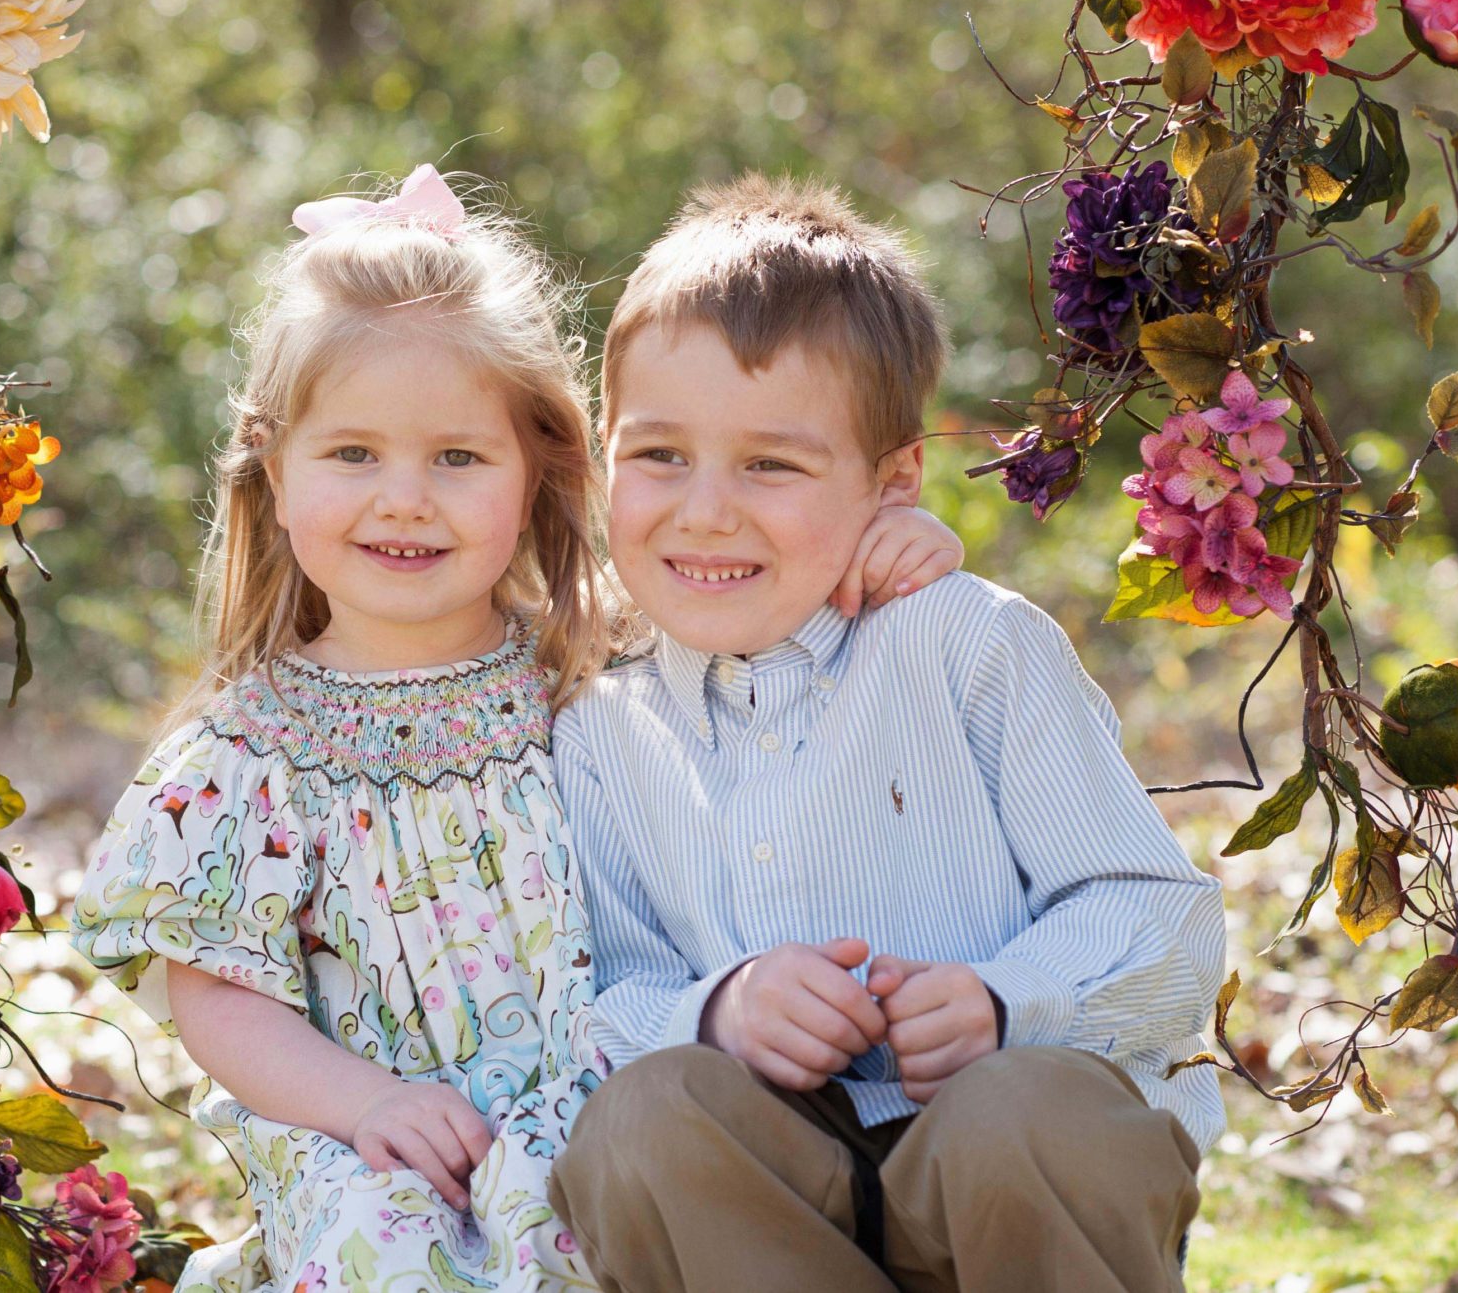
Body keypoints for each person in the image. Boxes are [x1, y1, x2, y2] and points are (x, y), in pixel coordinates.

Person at [68, 164, 969, 1292]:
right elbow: (218, 998)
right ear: (273, 466)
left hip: (616, 1098)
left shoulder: (603, 662)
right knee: (383, 1248)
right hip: (382, 1139)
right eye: (353, 454)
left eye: (456, 456)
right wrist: (369, 1107)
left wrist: (889, 543)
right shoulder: (248, 752)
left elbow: (771, 603)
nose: (404, 497)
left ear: (537, 464)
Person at [546, 173, 1227, 1293]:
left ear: (892, 480)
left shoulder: (966, 645)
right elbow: (597, 994)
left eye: (770, 463)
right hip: (762, 1207)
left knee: (1024, 1107)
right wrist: (713, 1010)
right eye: (659, 455)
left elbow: (1157, 917)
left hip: (1004, 1180)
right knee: (644, 1115)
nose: (704, 509)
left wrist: (1009, 1000)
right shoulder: (595, 716)